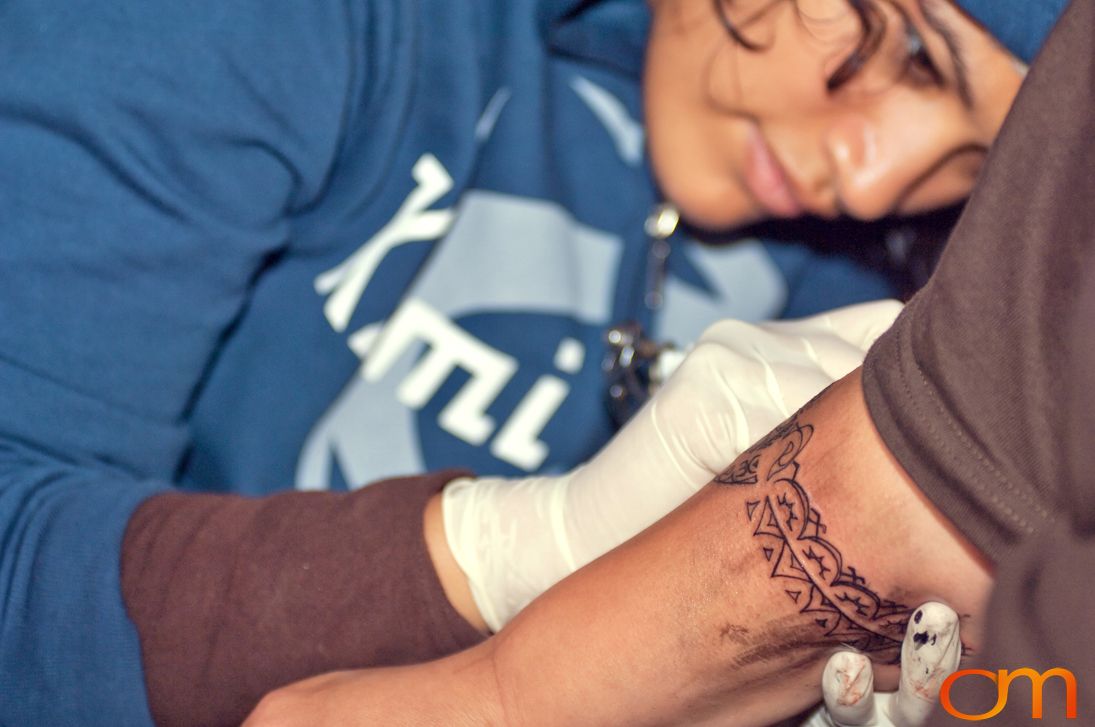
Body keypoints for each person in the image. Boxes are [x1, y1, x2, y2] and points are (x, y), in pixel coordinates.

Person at [0, 1, 1057, 726]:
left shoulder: (884, 296)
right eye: (912, 50)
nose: (876, 182)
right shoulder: (295, 28)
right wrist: (500, 559)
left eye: (983, 163)